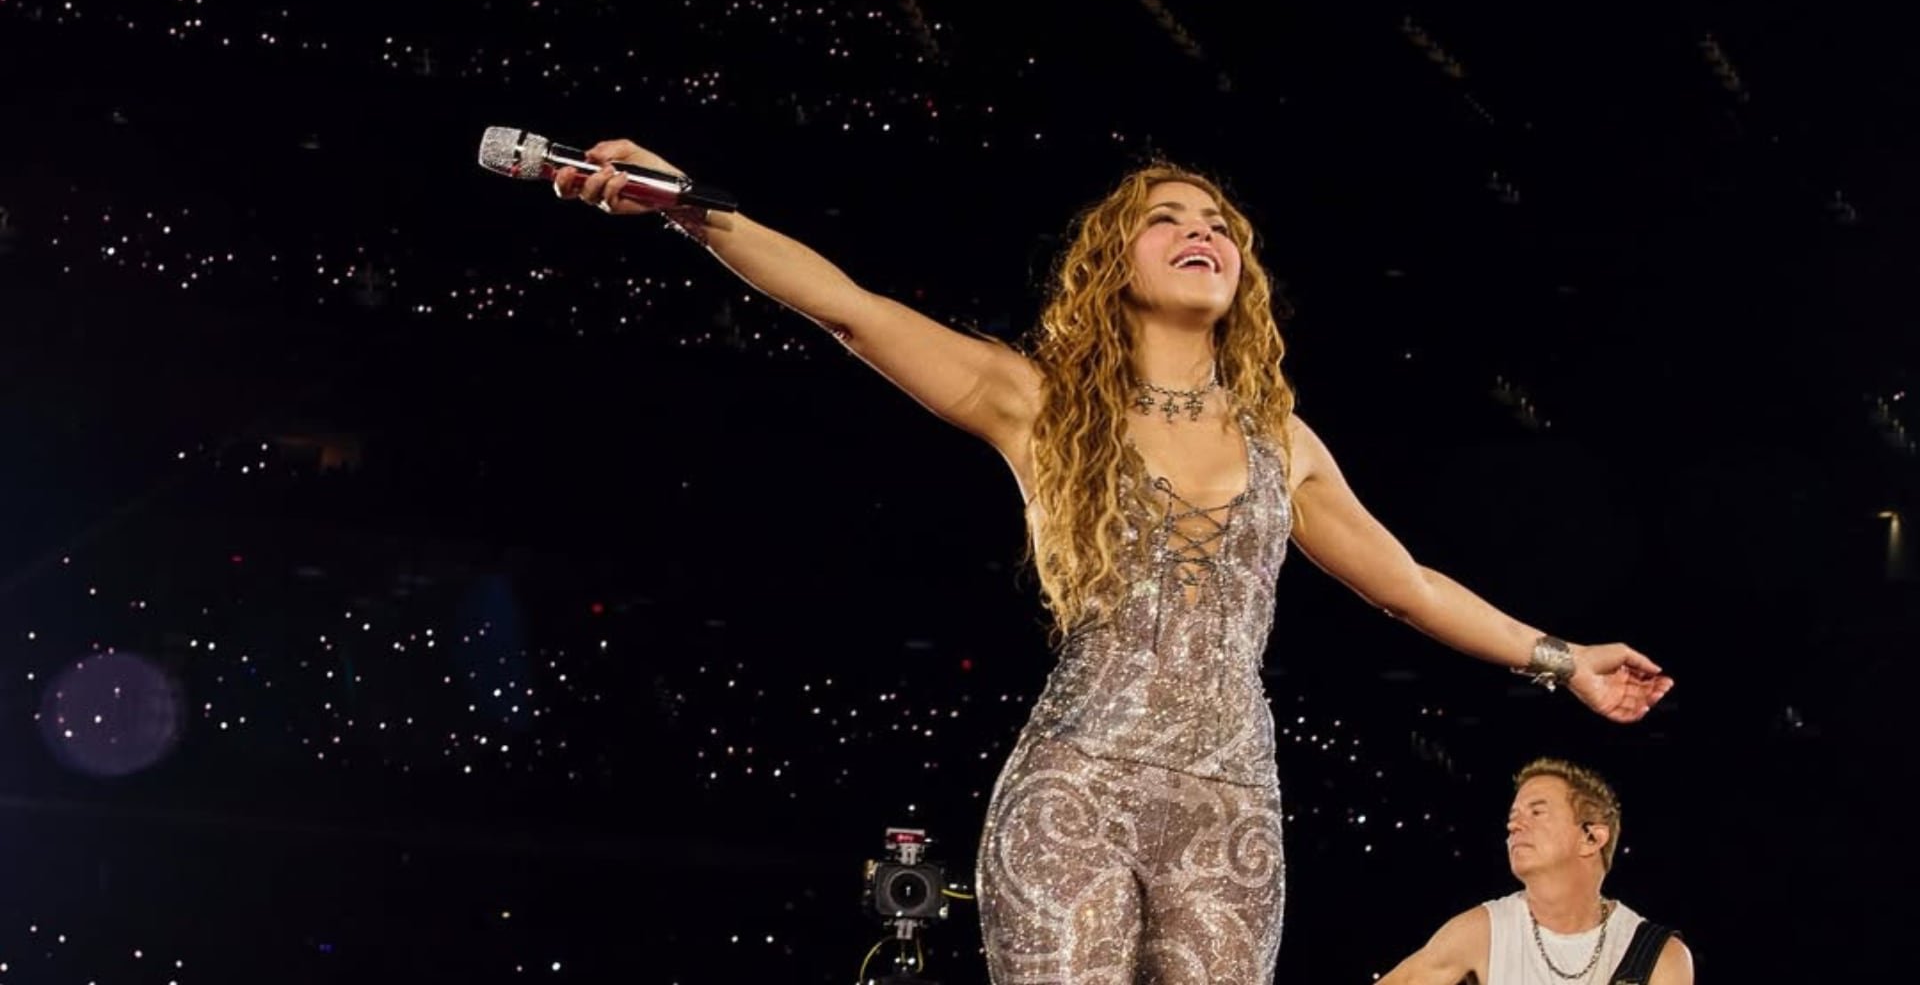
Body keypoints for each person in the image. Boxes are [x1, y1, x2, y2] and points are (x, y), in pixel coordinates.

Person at [550, 144, 1676, 984]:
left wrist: (1563, 658)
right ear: (1111, 263)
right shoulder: (1034, 401)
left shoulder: (1282, 441)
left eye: (1219, 223)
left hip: (1231, 806)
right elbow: (849, 309)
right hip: (1078, 788)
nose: (1203, 231)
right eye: (1167, 219)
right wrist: (690, 208)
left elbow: (1409, 584)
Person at [1375, 757, 1693, 985]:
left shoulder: (1659, 955)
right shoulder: (1481, 933)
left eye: (1537, 811)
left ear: (1592, 837)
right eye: (1513, 816)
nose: (1514, 824)